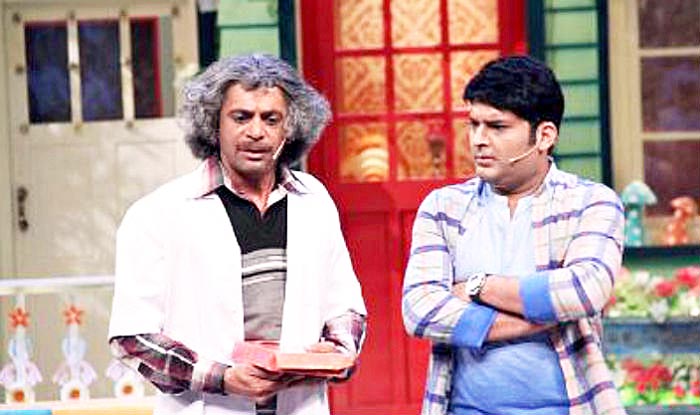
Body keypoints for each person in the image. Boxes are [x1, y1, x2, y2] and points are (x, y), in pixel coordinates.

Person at [108, 54, 367, 415]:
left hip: (300, 405)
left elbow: (346, 308)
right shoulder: (158, 213)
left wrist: (338, 350)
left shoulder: (315, 201)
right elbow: (132, 338)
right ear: (213, 123)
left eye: (271, 119)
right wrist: (222, 378)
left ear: (290, 127)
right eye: (241, 117)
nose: (256, 132)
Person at [402, 55, 625, 415]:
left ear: (544, 136)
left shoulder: (591, 202)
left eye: (497, 127)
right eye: (473, 124)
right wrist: (544, 315)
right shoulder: (444, 207)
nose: (479, 140)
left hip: (566, 407)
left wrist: (477, 287)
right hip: (464, 408)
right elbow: (420, 310)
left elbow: (584, 290)